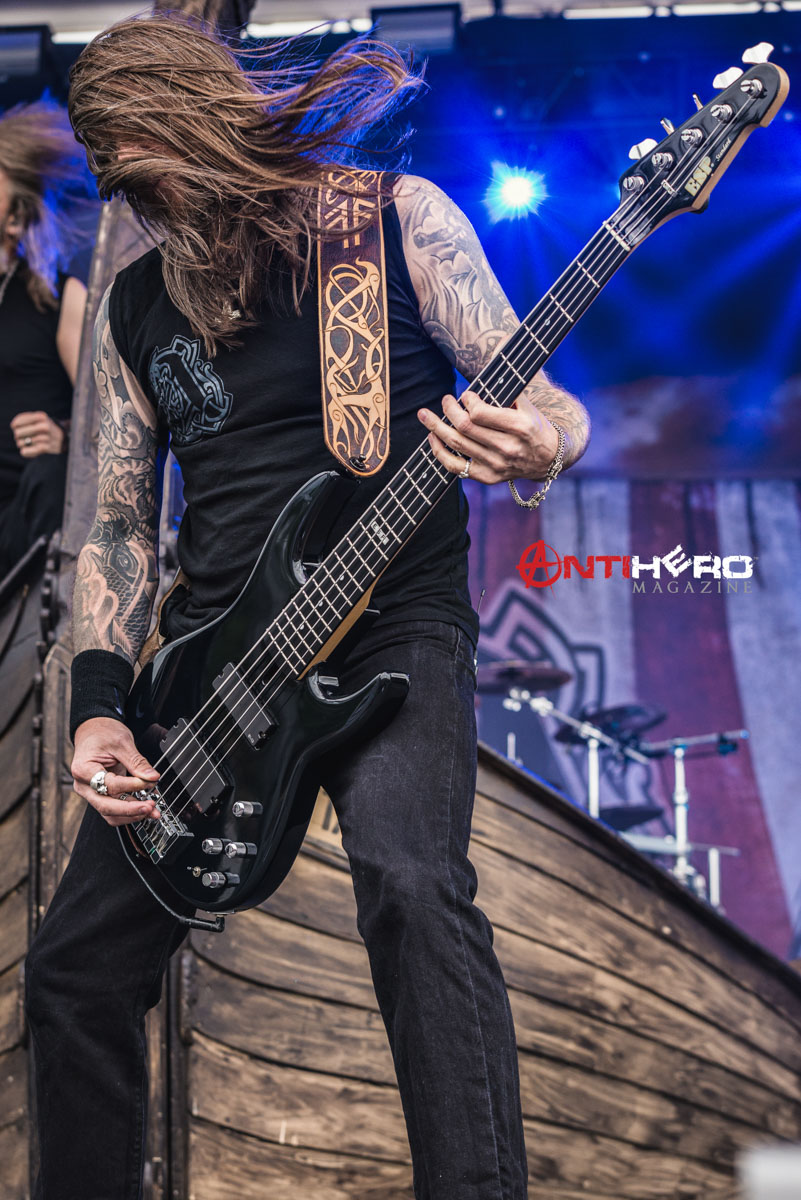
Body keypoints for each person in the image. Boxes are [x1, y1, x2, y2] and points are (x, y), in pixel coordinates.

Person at [24, 15, 591, 1200]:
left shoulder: (393, 220)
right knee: (74, 971)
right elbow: (121, 525)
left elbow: (545, 400)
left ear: (215, 124)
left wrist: (539, 445)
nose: (158, 206)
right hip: (211, 668)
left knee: (412, 885)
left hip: (393, 627)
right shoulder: (132, 307)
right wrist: (100, 708)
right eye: (130, 187)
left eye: (166, 171)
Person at [0, 101, 89, 577]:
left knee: (49, 476)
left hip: (25, 512)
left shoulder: (59, 295)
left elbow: (109, 420)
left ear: (16, 215)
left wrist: (66, 435)